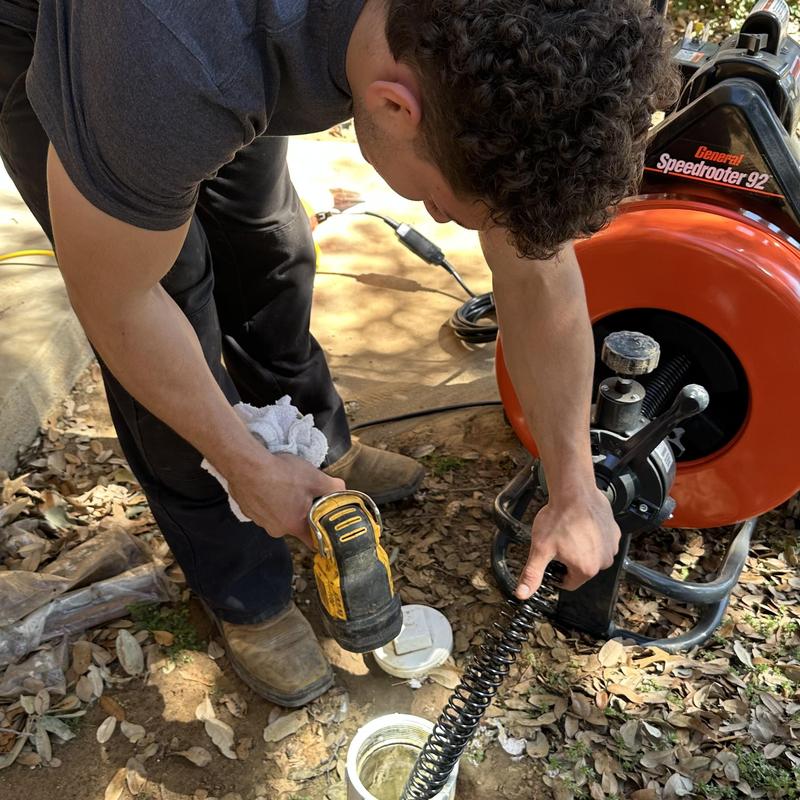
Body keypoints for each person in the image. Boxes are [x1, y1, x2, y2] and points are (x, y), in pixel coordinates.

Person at [0, 0, 676, 706]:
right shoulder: (169, 68)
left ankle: (316, 447)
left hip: (246, 40)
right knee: (171, 286)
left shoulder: (504, 37)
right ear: (395, 104)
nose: (444, 217)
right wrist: (242, 461)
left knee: (270, 239)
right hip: (63, 29)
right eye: (448, 206)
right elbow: (119, 303)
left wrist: (574, 482)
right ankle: (242, 584)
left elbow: (536, 269)